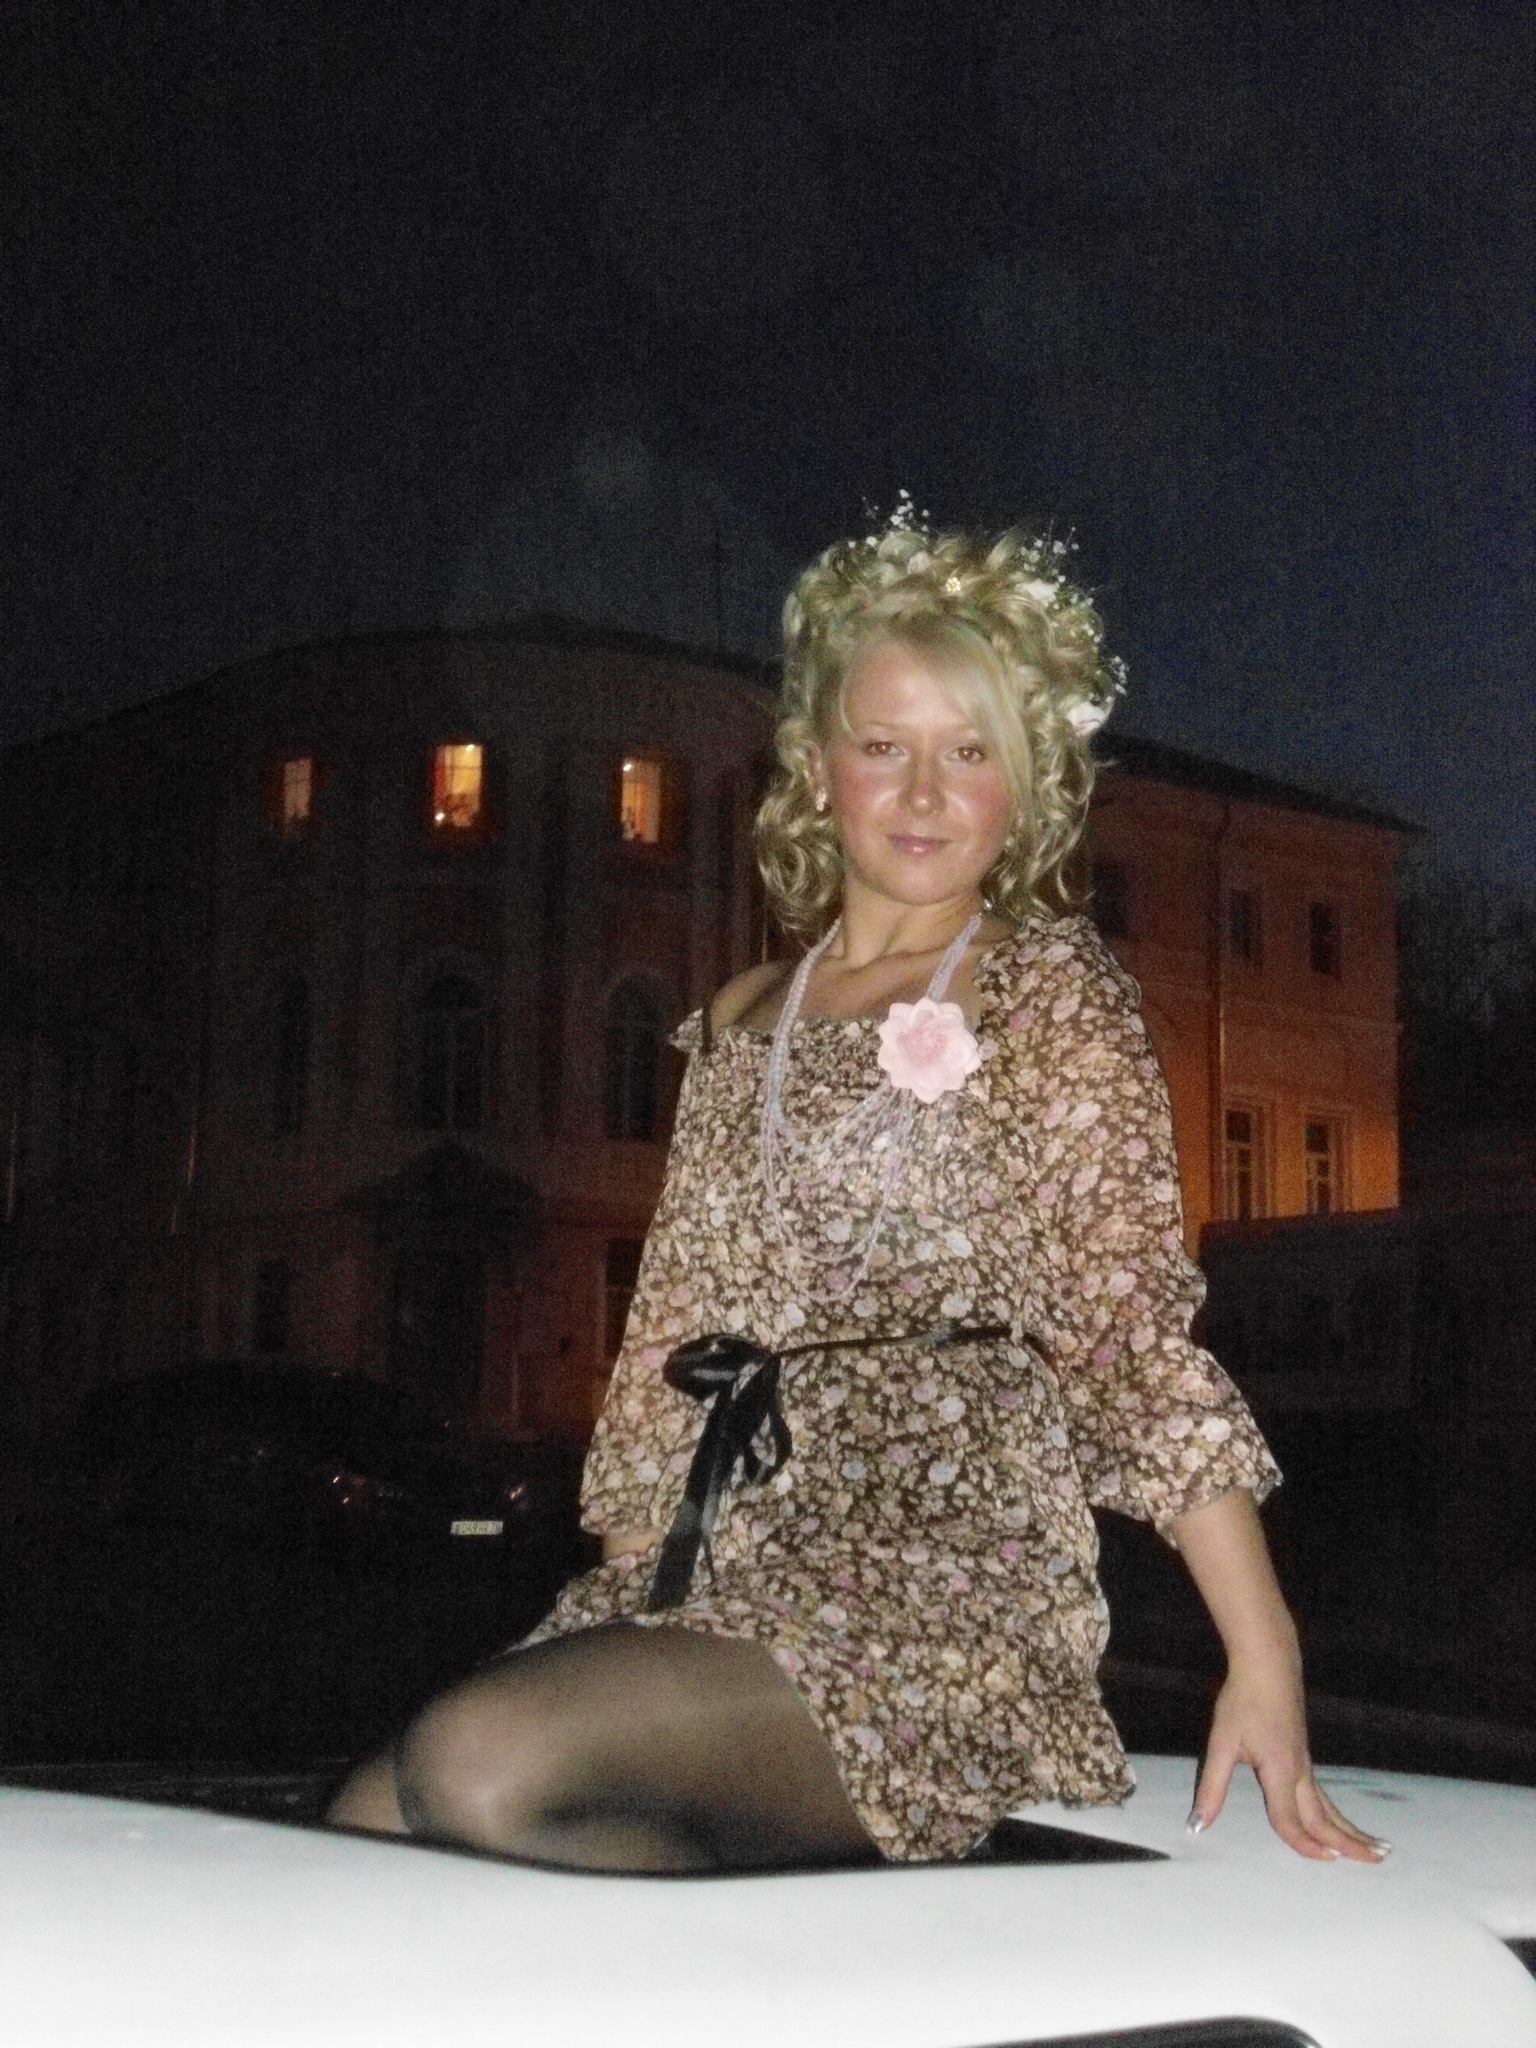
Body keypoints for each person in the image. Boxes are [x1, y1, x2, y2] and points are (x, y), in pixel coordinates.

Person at [329, 514, 1388, 1872]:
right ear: (818, 769)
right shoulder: (743, 1018)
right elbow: (675, 1336)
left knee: (480, 1765)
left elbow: (1126, 1334)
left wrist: (1265, 1649)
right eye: (886, 746)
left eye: (972, 753)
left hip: (948, 1577)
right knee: (373, 1823)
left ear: (1025, 786)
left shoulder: (1049, 994)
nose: (927, 793)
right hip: (736, 1548)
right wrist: (631, 1594)